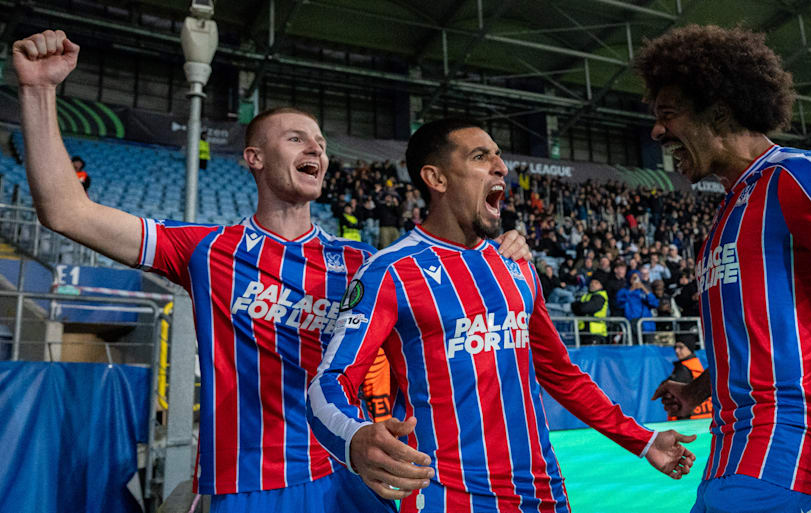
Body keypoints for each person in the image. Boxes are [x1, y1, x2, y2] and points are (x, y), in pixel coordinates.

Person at [12, 31, 533, 513]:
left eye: (322, 144)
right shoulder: (207, 250)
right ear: (254, 157)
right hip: (250, 484)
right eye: (297, 139)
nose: (317, 149)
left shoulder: (365, 265)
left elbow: (462, 324)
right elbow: (66, 211)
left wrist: (501, 250)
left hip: (353, 472)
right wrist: (38, 92)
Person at [307, 118, 696, 512]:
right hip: (445, 494)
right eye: (480, 156)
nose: (501, 167)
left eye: (498, 155)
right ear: (436, 178)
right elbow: (330, 382)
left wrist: (642, 440)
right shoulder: (389, 272)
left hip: (543, 491)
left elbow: (562, 375)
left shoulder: (518, 264)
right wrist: (354, 438)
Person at [639, 25, 811, 513]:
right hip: (735, 454)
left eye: (668, 114)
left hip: (800, 451)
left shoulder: (798, 176)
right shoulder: (726, 215)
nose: (657, 131)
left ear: (719, 112)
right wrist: (698, 390)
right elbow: (756, 341)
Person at [661, 334, 711, 421]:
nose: (677, 351)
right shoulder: (697, 364)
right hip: (704, 416)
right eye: (675, 347)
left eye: (681, 347)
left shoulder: (682, 369)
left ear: (689, 348)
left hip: (686, 420)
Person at [617, 272, 659, 343]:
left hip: (646, 324)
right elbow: (619, 302)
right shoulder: (623, 291)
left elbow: (655, 303)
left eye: (637, 278)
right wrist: (631, 290)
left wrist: (644, 289)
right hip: (631, 323)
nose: (636, 280)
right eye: (634, 278)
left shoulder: (644, 291)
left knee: (648, 348)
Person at [571, 277, 610, 345]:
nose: (592, 284)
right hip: (584, 331)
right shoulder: (586, 295)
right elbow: (577, 308)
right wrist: (578, 307)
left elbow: (584, 308)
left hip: (595, 332)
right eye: (592, 282)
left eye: (596, 283)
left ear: (601, 285)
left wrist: (578, 306)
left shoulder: (600, 296)